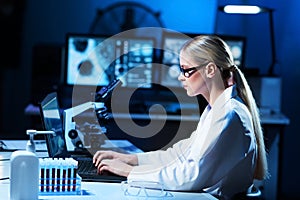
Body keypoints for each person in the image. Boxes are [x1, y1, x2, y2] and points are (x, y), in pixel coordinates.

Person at [93, 35, 268, 199]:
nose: (180, 77)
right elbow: (179, 155)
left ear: (210, 70)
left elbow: (189, 176)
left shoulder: (228, 115)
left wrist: (129, 172)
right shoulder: (216, 111)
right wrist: (131, 159)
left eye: (186, 70)